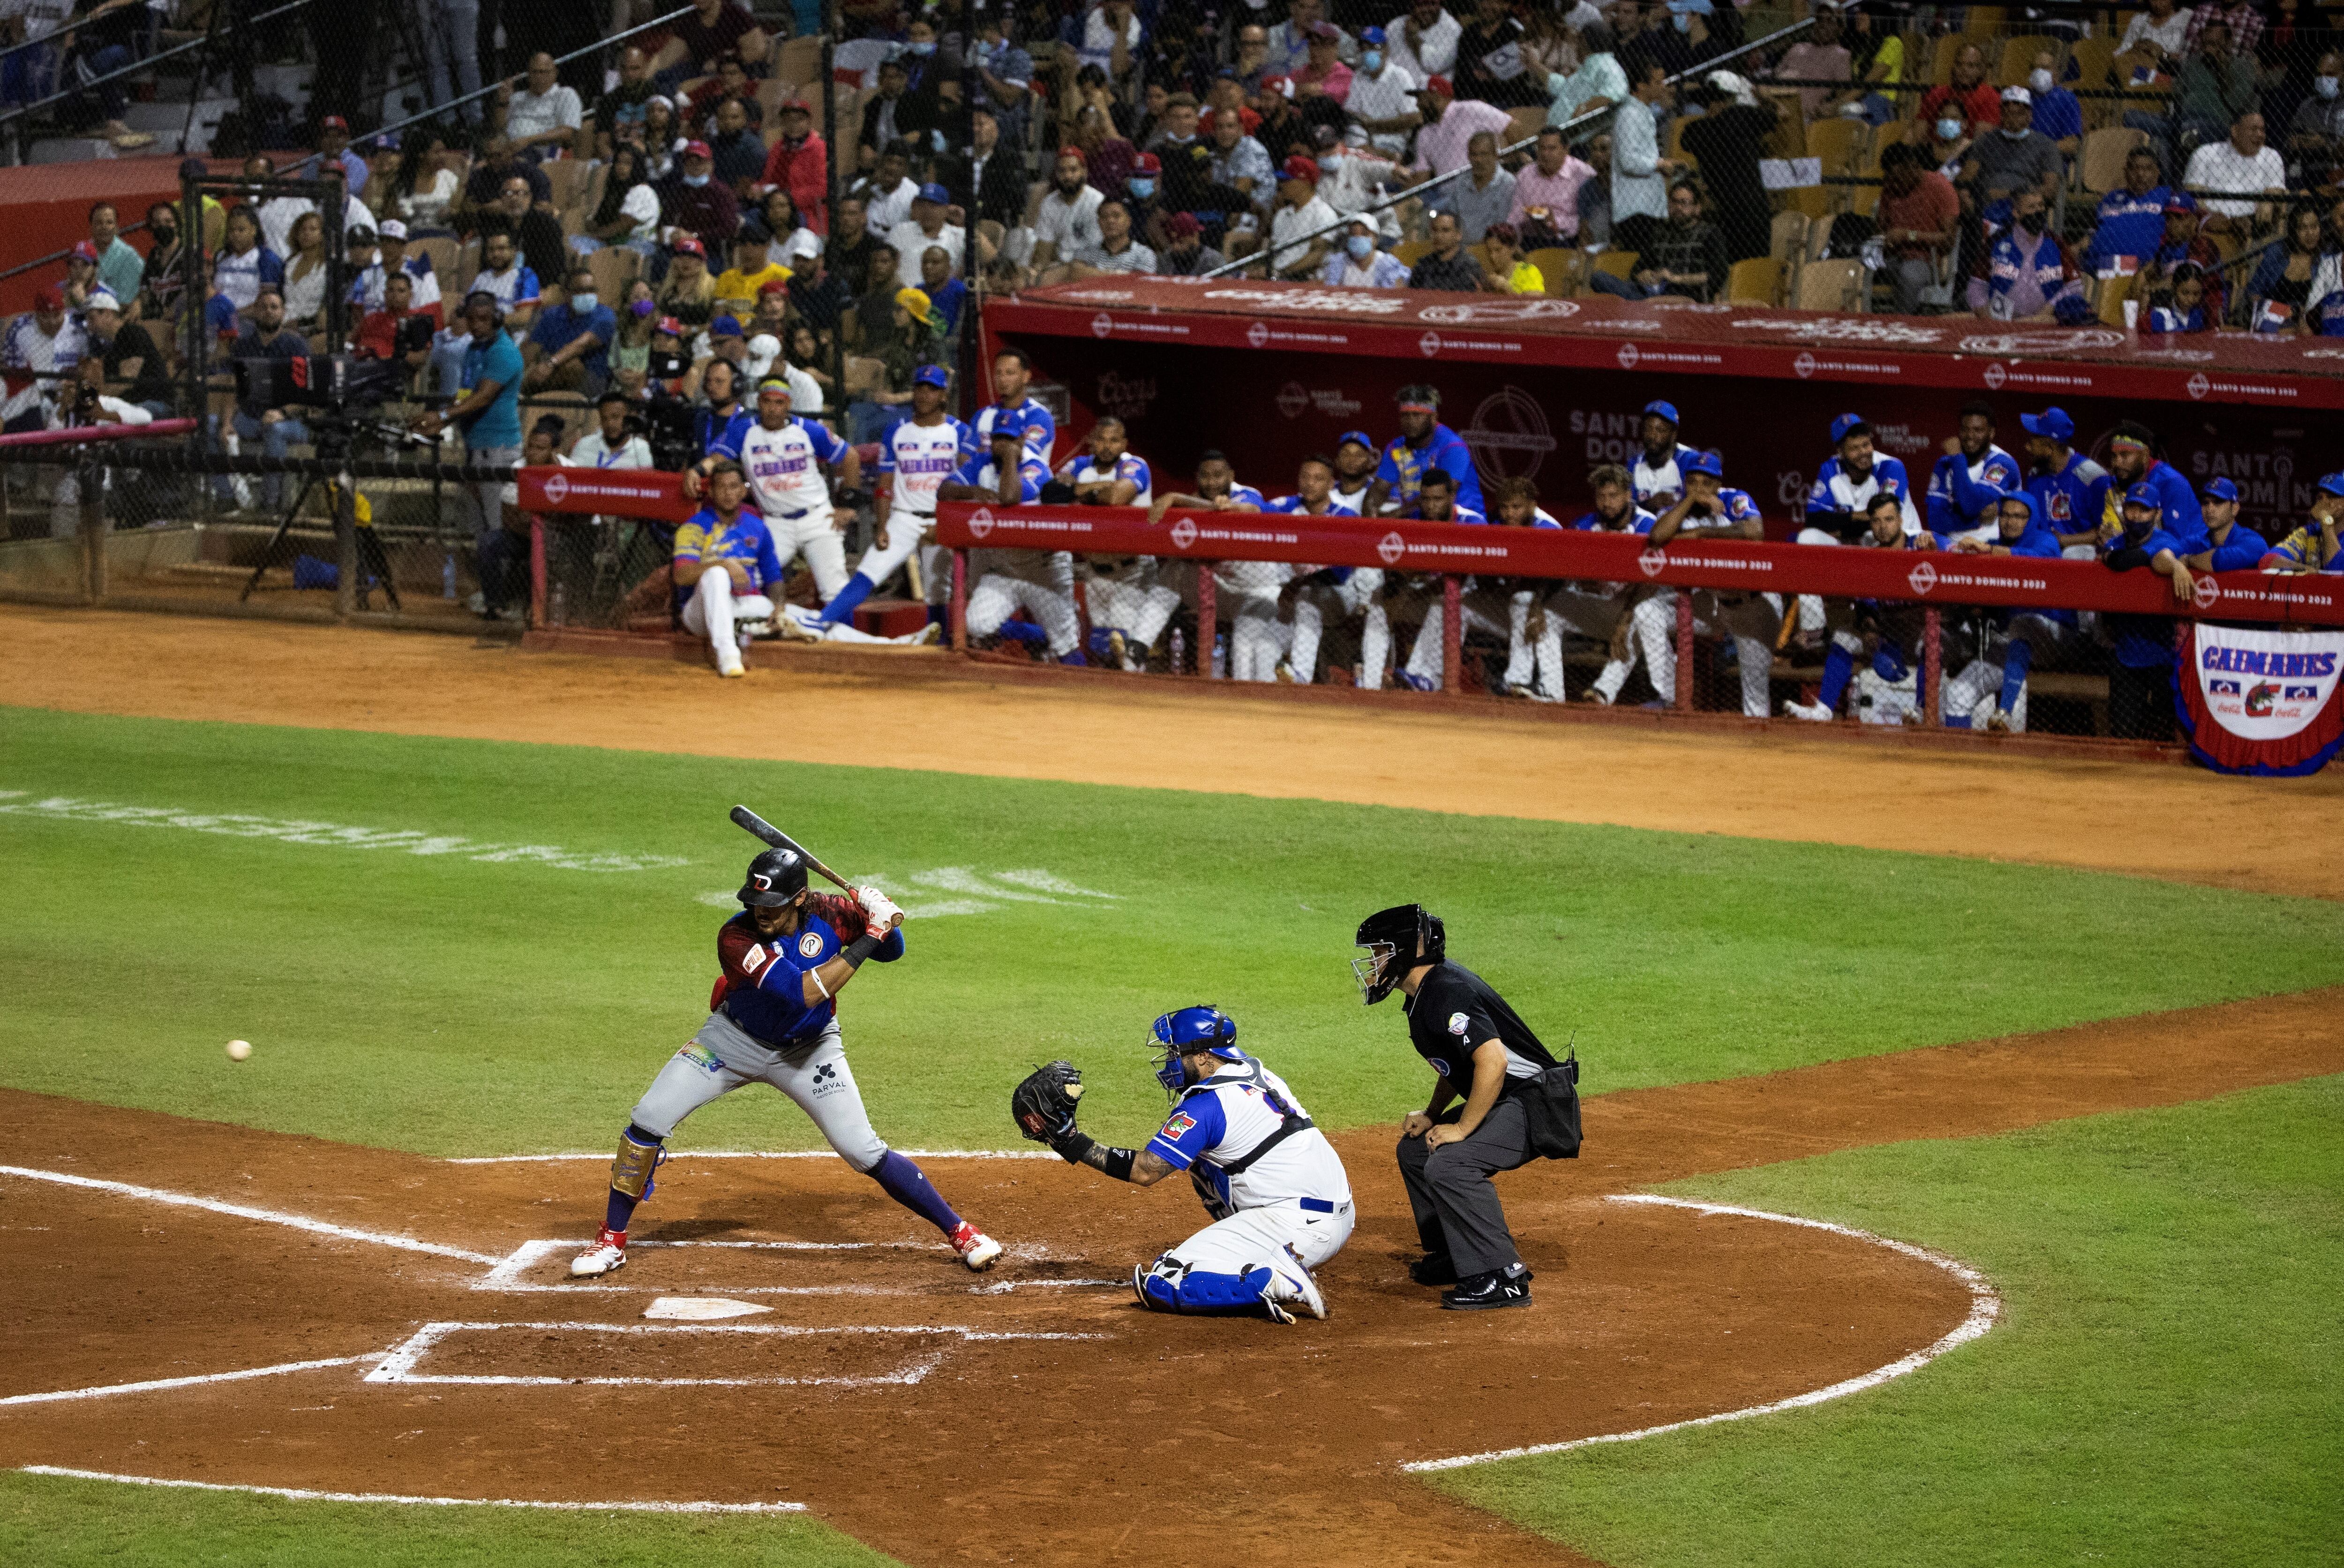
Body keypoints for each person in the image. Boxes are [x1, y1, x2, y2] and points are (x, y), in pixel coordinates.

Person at [568, 844, 999, 1280]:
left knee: (862, 1150)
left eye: (771, 905)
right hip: (731, 1040)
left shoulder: (831, 913)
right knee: (648, 1117)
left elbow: (891, 951)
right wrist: (873, 932)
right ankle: (611, 1241)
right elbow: (802, 993)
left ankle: (963, 1232)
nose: (761, 912)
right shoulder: (736, 938)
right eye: (754, 902)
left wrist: (879, 912)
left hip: (810, 1048)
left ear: (799, 898)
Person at [1012, 1006, 1347, 1324]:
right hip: (1332, 1213)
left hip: (1298, 1225)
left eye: (1176, 1053)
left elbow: (1146, 1170)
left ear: (1203, 1056)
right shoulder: (1253, 1071)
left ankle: (1277, 1279)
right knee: (1204, 1168)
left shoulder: (1207, 1105)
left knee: (1164, 1280)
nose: (1168, 1062)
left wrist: (1071, 1140)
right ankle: (1271, 1255)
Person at [1359, 902, 1573, 1311]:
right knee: (1416, 1149)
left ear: (1405, 951)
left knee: (1452, 1161)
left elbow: (1493, 1061)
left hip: (1537, 1102)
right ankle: (1460, 1255)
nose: (1373, 963)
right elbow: (1459, 1064)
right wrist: (1433, 1114)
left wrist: (1461, 1128)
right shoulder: (1426, 993)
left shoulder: (1445, 990)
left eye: (1380, 952)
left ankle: (1504, 1277)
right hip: (1513, 1097)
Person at [1631, 450, 1779, 717]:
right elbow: (1657, 536)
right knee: (1647, 612)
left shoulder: (1734, 499)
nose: (1700, 488)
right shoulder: (1679, 508)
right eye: (1693, 482)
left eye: (1706, 482)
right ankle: (1669, 697)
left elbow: (1756, 533)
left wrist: (1701, 533)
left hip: (1753, 605)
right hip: (1712, 605)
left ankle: (1760, 747)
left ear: (1718, 484)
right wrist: (1690, 500)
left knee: (1755, 696)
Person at [819, 364, 968, 627]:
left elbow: (967, 483)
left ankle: (941, 648)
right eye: (920, 389)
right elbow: (885, 482)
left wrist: (953, 522)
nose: (924, 395)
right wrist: (883, 525)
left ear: (943, 395)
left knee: (937, 592)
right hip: (904, 518)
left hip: (941, 519)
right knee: (868, 571)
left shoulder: (960, 432)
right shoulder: (897, 430)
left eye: (932, 390)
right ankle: (821, 623)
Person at [408, 292, 526, 617]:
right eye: (472, 318)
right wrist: (440, 417)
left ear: (498, 319)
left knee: (497, 528)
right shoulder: (475, 348)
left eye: (484, 319)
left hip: (498, 451)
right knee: (480, 527)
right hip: (476, 448)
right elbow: (465, 395)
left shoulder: (504, 352)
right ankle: (491, 595)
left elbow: (483, 398)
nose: (476, 326)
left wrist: (443, 417)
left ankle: (506, 599)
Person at [1781, 492, 1938, 724]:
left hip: (1923, 633)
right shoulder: (1868, 558)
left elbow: (1960, 555)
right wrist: (1869, 632)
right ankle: (1824, 710)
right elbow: (1866, 609)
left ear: (1901, 520)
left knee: (1932, 639)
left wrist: (1937, 550)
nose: (1883, 527)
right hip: (1892, 637)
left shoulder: (1923, 544)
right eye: (1877, 521)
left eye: (1889, 519)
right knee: (1845, 637)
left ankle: (1921, 711)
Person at [942, 412, 1080, 663]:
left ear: (1022, 440)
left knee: (1066, 644)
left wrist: (1009, 456)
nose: (1003, 444)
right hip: (1005, 569)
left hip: (1044, 569)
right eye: (999, 439)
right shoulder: (981, 462)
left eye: (1010, 438)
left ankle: (1089, 691)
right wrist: (973, 489)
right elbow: (944, 491)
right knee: (976, 625)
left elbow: (1008, 497)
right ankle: (1039, 636)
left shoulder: (1036, 467)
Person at [1939, 489, 2070, 731]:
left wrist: (1990, 552)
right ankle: (1957, 762)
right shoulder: (1990, 546)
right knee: (1958, 694)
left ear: (2031, 520)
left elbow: (2037, 560)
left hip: (2052, 639)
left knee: (2024, 623)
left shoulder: (2045, 541)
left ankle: (2005, 712)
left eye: (2019, 517)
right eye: (2005, 515)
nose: (2010, 522)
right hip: (2009, 646)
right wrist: (1935, 541)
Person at [2096, 480, 2199, 740]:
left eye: (2144, 510)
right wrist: (2111, 555)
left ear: (2158, 514)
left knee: (2163, 736)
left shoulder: (2167, 541)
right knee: (2122, 735)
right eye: (2132, 509)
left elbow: (2137, 559)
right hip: (2125, 651)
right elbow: (2116, 557)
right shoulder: (2116, 541)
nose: (2137, 516)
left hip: (2164, 656)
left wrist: (2175, 566)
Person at [1552, 463, 1659, 706]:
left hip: (1635, 608)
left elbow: (1651, 584)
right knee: (1549, 611)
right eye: (1601, 496)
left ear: (1627, 495)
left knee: (1644, 617)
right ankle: (1551, 691)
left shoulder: (1648, 526)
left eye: (1613, 496)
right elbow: (1565, 570)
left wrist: (1623, 620)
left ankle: (1603, 692)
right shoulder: (1584, 525)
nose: (1607, 503)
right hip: (1599, 605)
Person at [1589, 179, 1726, 301]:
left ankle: (1640, 304)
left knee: (1640, 299)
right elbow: (1638, 268)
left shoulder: (1710, 233)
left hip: (1683, 295)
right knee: (1599, 278)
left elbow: (1718, 275)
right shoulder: (1661, 232)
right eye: (1674, 202)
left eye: (1684, 203)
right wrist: (1643, 275)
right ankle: (1641, 303)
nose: (1678, 207)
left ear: (1697, 208)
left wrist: (1675, 278)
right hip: (1652, 290)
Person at [2082, 420, 2205, 547]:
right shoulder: (2116, 485)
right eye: (2114, 456)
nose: (2117, 463)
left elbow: (2177, 543)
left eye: (2125, 455)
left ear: (2145, 455)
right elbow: (2109, 533)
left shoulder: (2171, 483)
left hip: (2190, 556)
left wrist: (2121, 544)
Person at [1366, 384, 1483, 516]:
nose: (1410, 422)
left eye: (1417, 415)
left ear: (1433, 417)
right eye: (1405, 415)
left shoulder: (1452, 447)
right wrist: (1371, 516)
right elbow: (1378, 491)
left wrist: (1394, 516)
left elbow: (1441, 494)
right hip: (1421, 522)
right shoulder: (1396, 447)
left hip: (1465, 523)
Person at [1968, 188, 2082, 321]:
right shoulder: (1997, 241)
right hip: (2002, 319)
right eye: (2031, 207)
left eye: (2041, 206)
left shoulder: (2056, 243)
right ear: (2016, 213)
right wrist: (1987, 314)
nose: (2038, 211)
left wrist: (2049, 308)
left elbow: (2075, 286)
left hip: (2044, 320)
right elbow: (1976, 286)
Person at [1874, 144, 1958, 314]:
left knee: (1908, 275)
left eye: (1898, 180)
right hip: (1891, 255)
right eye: (1890, 180)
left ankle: (1904, 324)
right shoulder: (1890, 188)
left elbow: (1949, 239)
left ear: (1912, 167)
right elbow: (1880, 227)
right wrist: (1884, 238)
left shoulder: (1940, 187)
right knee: (1855, 268)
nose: (1894, 186)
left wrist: (1908, 236)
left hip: (1926, 259)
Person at [1608, 60, 1680, 257]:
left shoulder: (1641, 112)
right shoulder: (1629, 115)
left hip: (1646, 207)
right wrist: (1659, 164)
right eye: (1658, 82)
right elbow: (1628, 160)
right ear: (1640, 86)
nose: (1663, 86)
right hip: (1636, 210)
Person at [1924, 401, 2022, 542]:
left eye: (1978, 430)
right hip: (1952, 545)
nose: (1970, 436)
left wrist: (1958, 459)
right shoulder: (1945, 463)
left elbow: (1970, 505)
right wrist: (1976, 520)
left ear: (1991, 433)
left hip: (1992, 545)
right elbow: (1935, 521)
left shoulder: (2002, 463)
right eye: (1965, 429)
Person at [1809, 412, 1921, 536]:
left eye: (1866, 445)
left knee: (1874, 533)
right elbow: (1814, 519)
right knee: (1809, 536)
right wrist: (1856, 516)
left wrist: (1840, 530)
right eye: (1855, 448)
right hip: (1855, 543)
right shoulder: (1830, 469)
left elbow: (1883, 521)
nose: (1863, 452)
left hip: (1899, 544)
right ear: (1841, 452)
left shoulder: (1890, 466)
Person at [2018, 405, 2108, 551]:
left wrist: (2064, 541)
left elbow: (2108, 530)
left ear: (2050, 448)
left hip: (2083, 556)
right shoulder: (2035, 474)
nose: (2027, 447)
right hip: (2044, 552)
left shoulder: (2093, 477)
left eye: (2032, 443)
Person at [2184, 110, 2284, 240]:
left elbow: (2277, 189)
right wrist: (2217, 220)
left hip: (2255, 226)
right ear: (2235, 131)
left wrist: (2268, 198)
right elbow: (2193, 194)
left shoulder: (2271, 156)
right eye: (2253, 129)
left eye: (2262, 130)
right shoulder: (2205, 154)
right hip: (2214, 226)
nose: (2260, 135)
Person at [1964, 87, 2063, 208]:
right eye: (2008, 113)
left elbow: (2050, 191)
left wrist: (2012, 193)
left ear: (2030, 116)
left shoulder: (2046, 145)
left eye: (2019, 113)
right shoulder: (1986, 141)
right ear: (2001, 114)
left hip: (2025, 208)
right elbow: (1967, 177)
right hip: (1986, 205)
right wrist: (1965, 193)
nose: (2013, 118)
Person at [523, 266, 616, 393]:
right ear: (566, 294)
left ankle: (531, 393)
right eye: (581, 291)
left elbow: (582, 345)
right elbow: (532, 349)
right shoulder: (552, 315)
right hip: (551, 372)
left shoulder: (606, 316)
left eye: (591, 290)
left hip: (591, 378)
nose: (587, 295)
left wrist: (551, 364)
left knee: (572, 366)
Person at [2084, 149, 2176, 277]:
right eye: (2134, 169)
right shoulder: (2111, 198)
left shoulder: (2166, 196)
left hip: (2140, 266)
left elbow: (2194, 216)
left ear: (2157, 172)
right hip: (2095, 263)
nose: (2140, 175)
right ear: (2126, 172)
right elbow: (2092, 233)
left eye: (2147, 169)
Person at [1406, 74, 1512, 181]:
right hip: (1445, 194)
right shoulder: (1425, 133)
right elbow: (1421, 176)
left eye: (1421, 97)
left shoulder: (1470, 109)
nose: (1418, 104)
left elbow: (1512, 126)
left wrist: (1518, 156)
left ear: (1436, 95)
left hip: (1480, 185)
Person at [84, 290, 170, 420]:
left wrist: (96, 398)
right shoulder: (110, 349)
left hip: (154, 403)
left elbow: (127, 380)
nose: (89, 326)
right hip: (128, 404)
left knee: (105, 416)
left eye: (92, 319)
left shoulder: (132, 333)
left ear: (108, 314)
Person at [1429, 130, 1514, 245]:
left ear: (1496, 155)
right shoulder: (1461, 181)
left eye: (1484, 154)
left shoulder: (1508, 184)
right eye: (1474, 154)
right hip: (1460, 249)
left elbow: (1504, 227)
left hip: (1492, 248)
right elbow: (1452, 217)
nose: (1478, 160)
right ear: (1468, 156)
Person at [661, 141, 742, 259]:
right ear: (684, 167)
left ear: (711, 165)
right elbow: (665, 221)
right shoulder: (677, 191)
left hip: (709, 251)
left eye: (700, 162)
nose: (695, 167)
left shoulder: (722, 193)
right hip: (678, 248)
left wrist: (694, 236)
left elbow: (728, 228)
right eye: (690, 163)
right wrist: (666, 234)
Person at [1772, 0, 1850, 122]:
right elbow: (1775, 77)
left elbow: (1844, 93)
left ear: (1840, 29)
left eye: (1830, 21)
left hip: (1803, 116)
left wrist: (1831, 107)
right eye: (1820, 20)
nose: (1823, 25)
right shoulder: (1797, 47)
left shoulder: (1840, 55)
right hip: (1774, 106)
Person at [971, 346, 1056, 458]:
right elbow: (965, 458)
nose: (1002, 379)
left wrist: (984, 453)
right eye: (998, 373)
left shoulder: (1039, 416)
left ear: (1026, 377)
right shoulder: (982, 415)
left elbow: (1018, 457)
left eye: (1010, 373)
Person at [1032, 148, 1106, 274]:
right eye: (1062, 171)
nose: (1068, 176)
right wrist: (1039, 272)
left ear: (1084, 172)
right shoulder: (1050, 203)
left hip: (1091, 268)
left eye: (1073, 170)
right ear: (1056, 174)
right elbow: (1044, 249)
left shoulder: (1097, 202)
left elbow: (1097, 249)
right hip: (1060, 268)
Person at [500, 52, 581, 164]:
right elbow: (498, 128)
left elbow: (567, 133)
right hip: (509, 149)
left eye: (544, 72)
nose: (539, 77)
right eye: (535, 72)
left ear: (555, 73)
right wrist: (502, 103)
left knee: (517, 162)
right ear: (528, 74)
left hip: (544, 151)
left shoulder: (566, 94)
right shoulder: (517, 98)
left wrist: (528, 140)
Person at [2185, 476, 2269, 572]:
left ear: (2235, 509)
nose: (2210, 509)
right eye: (2205, 503)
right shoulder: (2196, 541)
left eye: (2218, 502)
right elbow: (2168, 554)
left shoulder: (2253, 542)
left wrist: (2188, 560)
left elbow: (2218, 561)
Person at [1629, 398, 1700, 509]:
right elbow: (1626, 507)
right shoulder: (1634, 464)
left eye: (1660, 430)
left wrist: (1677, 501)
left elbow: (1702, 501)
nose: (1653, 436)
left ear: (1674, 434)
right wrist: (1649, 504)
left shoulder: (1691, 460)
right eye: (1648, 429)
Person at [1917, 42, 1997, 136]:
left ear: (1981, 70)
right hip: (1934, 148)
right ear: (1953, 67)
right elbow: (1918, 130)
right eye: (1959, 64)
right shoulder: (1936, 94)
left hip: (1969, 149)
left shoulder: (1991, 97)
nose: (1964, 70)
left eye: (1971, 66)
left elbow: (1981, 140)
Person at [1071, 198, 1157, 275]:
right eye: (1105, 217)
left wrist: (1092, 273)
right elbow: (1076, 272)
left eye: (1116, 216)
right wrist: (1120, 275)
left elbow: (1139, 282)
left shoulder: (1144, 254)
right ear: (1099, 223)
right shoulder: (1087, 253)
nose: (1110, 221)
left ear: (1128, 221)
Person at [1407, 208, 1484, 292]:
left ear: (1459, 235)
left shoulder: (1469, 266)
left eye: (1446, 230)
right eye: (1435, 230)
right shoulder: (1423, 265)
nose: (1439, 236)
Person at [1157, 212, 1227, 276]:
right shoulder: (1167, 257)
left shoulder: (1213, 259)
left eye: (1181, 242)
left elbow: (1226, 287)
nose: (1176, 247)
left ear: (1195, 236)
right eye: (1172, 242)